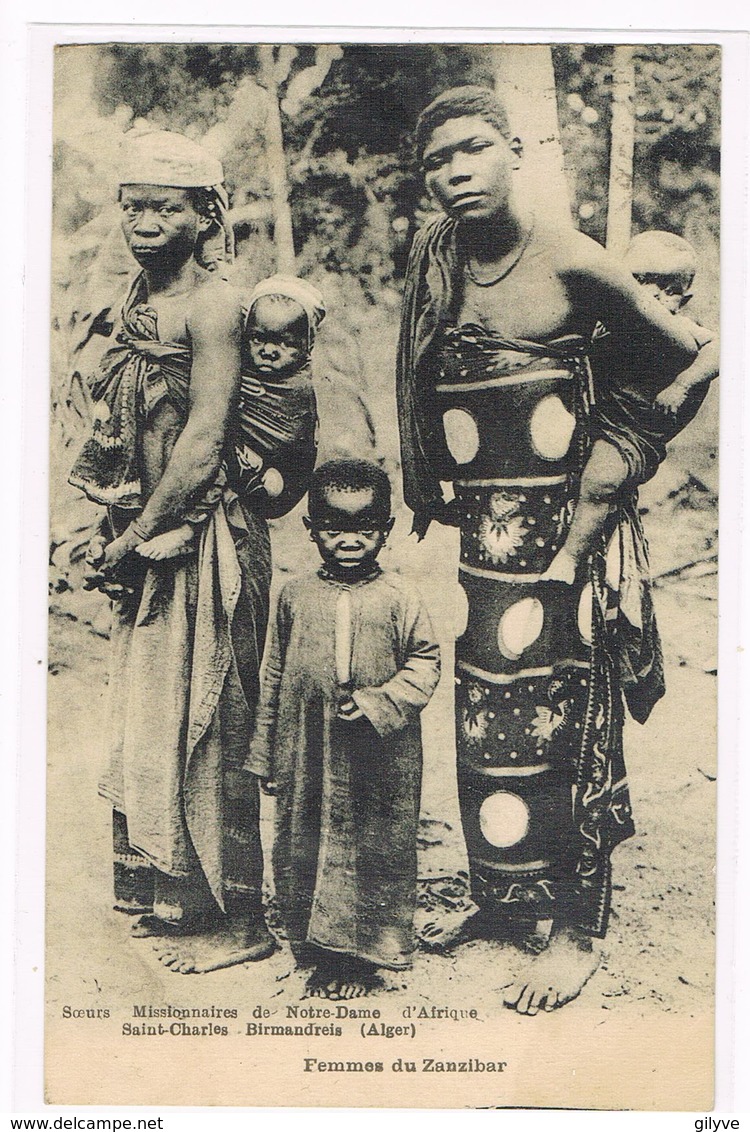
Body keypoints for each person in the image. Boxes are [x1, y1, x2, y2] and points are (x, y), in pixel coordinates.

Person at [397, 86, 699, 1014]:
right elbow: (415, 370)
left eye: (473, 150)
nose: (455, 173)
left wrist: (616, 473)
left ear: (514, 149)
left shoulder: (573, 260)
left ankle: (575, 928)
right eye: (437, 160)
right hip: (484, 546)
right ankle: (502, 898)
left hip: (569, 542)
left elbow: (685, 356)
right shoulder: (438, 261)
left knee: (570, 726)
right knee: (489, 720)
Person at [69, 129, 276, 973]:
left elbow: (204, 437)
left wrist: (138, 535)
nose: (144, 222)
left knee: (215, 721)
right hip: (147, 540)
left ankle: (244, 918)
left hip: (208, 538)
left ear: (206, 215)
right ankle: (176, 892)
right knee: (156, 717)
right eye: (133, 206)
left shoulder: (218, 305)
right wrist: (116, 530)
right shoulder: (129, 305)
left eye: (165, 206)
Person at [247, 460, 441, 999]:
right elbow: (274, 672)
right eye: (333, 529)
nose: (350, 541)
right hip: (305, 749)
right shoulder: (293, 595)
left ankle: (361, 960)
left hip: (379, 756)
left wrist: (381, 702)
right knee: (304, 841)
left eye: (366, 529)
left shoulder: (401, 597)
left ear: (386, 530)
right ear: (310, 529)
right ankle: (314, 950)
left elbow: (425, 662)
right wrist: (266, 753)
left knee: (375, 847)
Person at [543, 230, 719, 585]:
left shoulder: (681, 328)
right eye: (640, 281)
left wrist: (682, 385)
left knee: (601, 481)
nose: (654, 293)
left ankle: (569, 559)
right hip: (596, 416)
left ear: (684, 298)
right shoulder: (611, 323)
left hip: (633, 432)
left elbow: (722, 349)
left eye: (668, 287)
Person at [136, 274, 323, 560]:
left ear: (307, 346)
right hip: (252, 461)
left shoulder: (296, 385)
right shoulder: (239, 363)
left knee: (215, 454)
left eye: (285, 344)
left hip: (277, 472)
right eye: (259, 338)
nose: (269, 352)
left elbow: (288, 436)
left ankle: (188, 530)